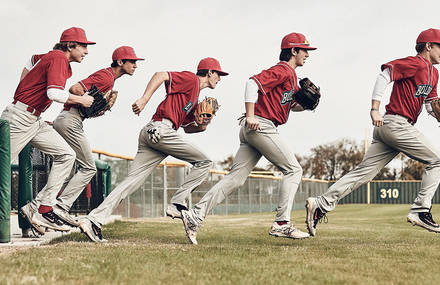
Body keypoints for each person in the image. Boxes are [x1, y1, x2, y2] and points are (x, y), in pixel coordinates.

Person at [180, 32, 318, 245]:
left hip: (255, 127)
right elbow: (252, 84)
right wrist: (252, 115)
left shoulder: (290, 79)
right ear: (293, 50)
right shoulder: (283, 70)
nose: (307, 54)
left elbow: (285, 105)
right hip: (260, 125)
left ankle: (195, 215)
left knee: (235, 178)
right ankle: (282, 224)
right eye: (304, 50)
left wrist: (303, 105)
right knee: (294, 170)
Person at [305, 28, 440, 236]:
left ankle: (321, 204)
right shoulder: (415, 63)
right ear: (428, 46)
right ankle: (421, 209)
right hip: (395, 123)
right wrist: (374, 108)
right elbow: (384, 76)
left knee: (363, 174)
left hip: (393, 129)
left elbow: (431, 106)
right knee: (437, 160)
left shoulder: (434, 73)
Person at [78, 57, 228, 242]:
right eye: (218, 74)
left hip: (155, 133)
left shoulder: (194, 96)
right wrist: (144, 99)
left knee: (130, 183)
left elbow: (188, 128)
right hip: (160, 129)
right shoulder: (191, 80)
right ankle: (177, 203)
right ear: (209, 72)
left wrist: (203, 124)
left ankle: (92, 220)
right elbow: (160, 75)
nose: (219, 78)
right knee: (205, 162)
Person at [21, 46, 144, 229]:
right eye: (132, 61)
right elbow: (75, 88)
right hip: (70, 119)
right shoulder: (106, 76)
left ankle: (35, 207)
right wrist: (86, 100)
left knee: (68, 165)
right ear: (120, 62)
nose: (135, 65)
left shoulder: (110, 78)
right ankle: (60, 206)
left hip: (70, 119)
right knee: (88, 167)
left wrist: (90, 108)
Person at [1, 27, 96, 234]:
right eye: (84, 46)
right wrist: (81, 99)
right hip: (19, 118)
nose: (86, 51)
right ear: (71, 46)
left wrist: (25, 86)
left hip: (34, 119)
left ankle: (43, 208)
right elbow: (53, 92)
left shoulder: (52, 57)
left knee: (66, 155)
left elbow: (31, 60)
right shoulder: (59, 57)